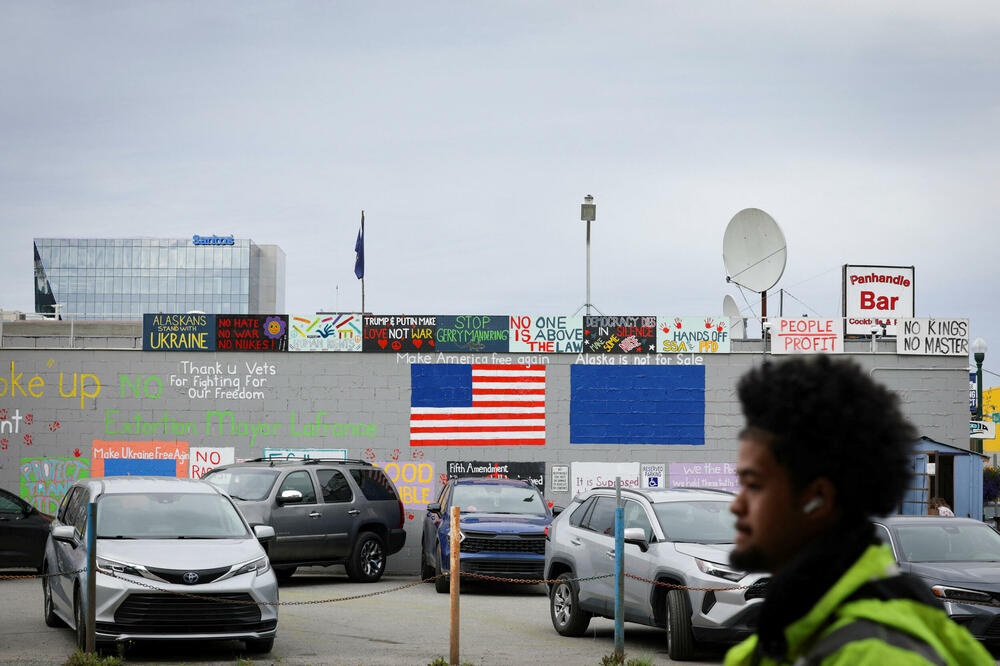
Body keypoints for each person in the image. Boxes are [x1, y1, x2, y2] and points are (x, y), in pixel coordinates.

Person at [725, 356, 990, 666]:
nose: (736, 504)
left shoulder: (878, 654)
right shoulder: (791, 631)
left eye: (754, 485)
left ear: (818, 499)